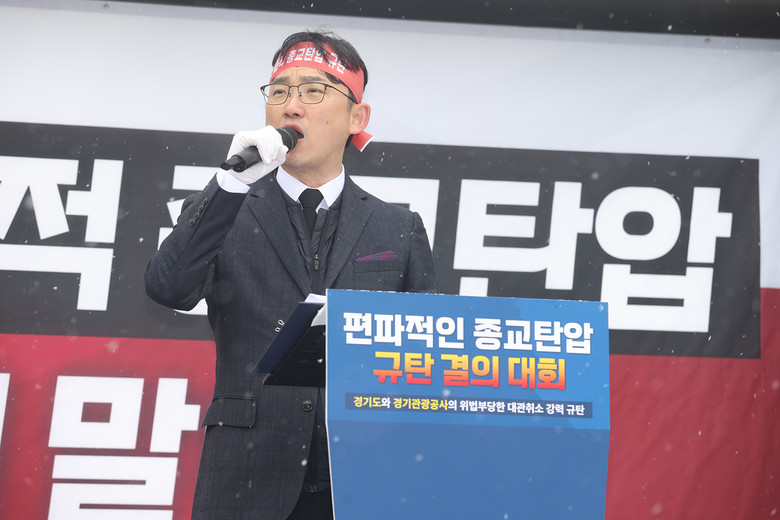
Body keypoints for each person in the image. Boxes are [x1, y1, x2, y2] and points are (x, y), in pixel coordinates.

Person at [144, 29, 438, 519]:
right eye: (279, 92)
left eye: (314, 91)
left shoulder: (398, 227)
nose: (291, 107)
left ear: (357, 118)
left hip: (362, 475)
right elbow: (168, 287)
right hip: (245, 473)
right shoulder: (225, 206)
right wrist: (229, 183)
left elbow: (424, 356)